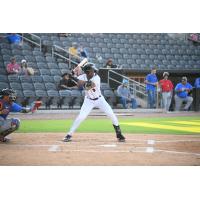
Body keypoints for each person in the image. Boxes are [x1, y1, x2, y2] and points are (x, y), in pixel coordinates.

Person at [63, 63, 125, 142]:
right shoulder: (82, 77)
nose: (94, 71)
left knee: (111, 114)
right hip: (88, 101)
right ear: (88, 72)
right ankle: (69, 134)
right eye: (92, 70)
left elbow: (86, 86)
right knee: (81, 117)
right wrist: (70, 77)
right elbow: (69, 84)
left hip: (100, 100)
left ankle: (119, 134)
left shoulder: (96, 78)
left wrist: (74, 77)